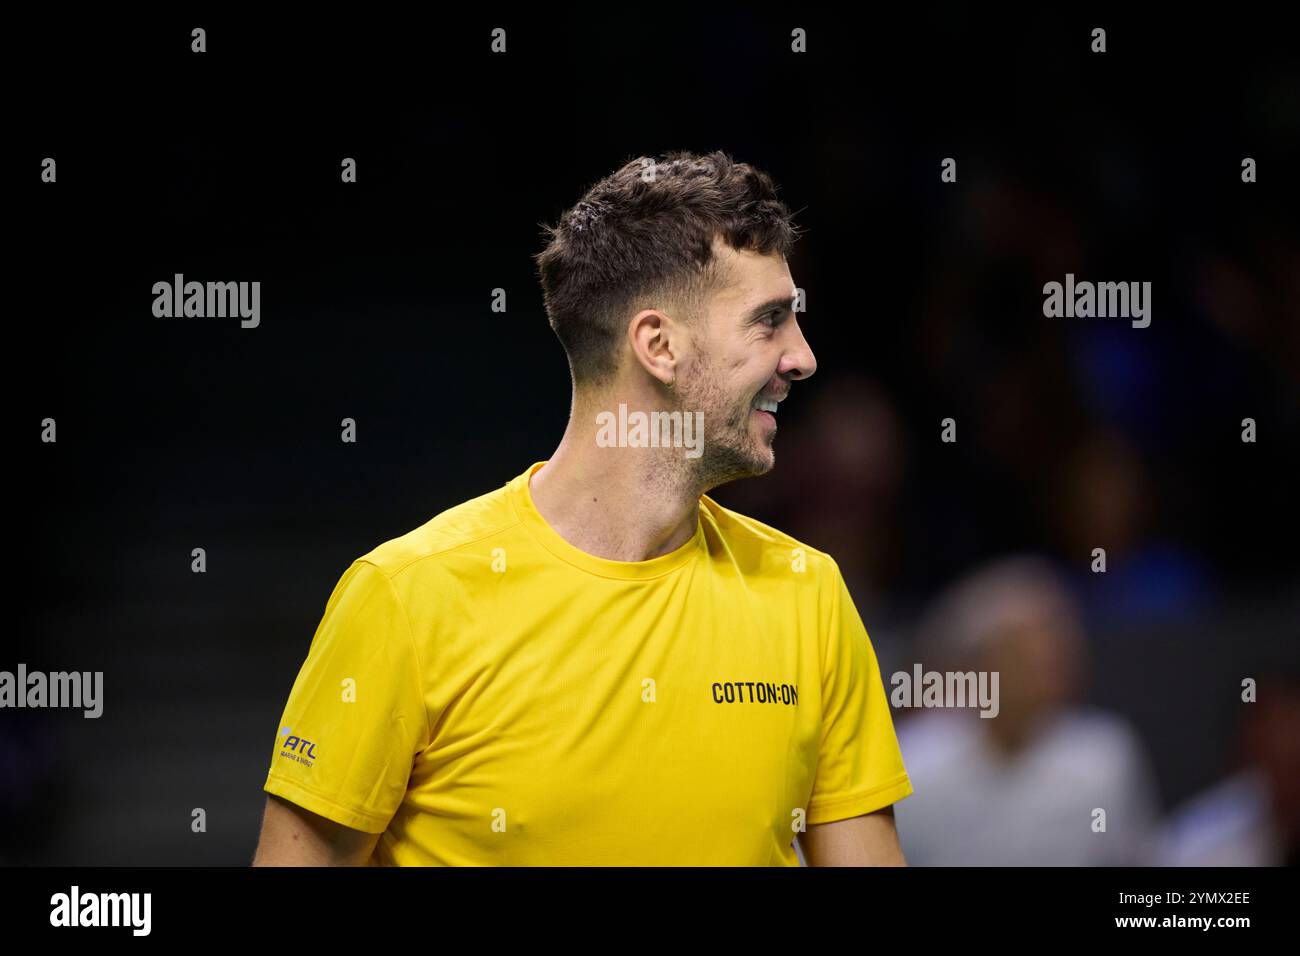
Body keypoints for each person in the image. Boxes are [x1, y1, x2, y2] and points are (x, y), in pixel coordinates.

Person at [252, 150, 913, 866]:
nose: (802, 357)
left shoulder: (808, 594)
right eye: (770, 321)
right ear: (657, 345)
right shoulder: (407, 599)